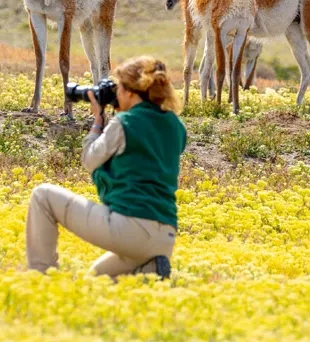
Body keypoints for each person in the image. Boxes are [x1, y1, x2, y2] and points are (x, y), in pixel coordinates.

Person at [25, 56, 188, 279]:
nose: (116, 94)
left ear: (130, 92)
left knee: (42, 195)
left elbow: (90, 160)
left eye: (119, 87)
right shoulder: (176, 126)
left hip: (129, 228)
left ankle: (40, 278)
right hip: (164, 237)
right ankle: (149, 268)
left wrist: (98, 120)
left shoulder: (125, 123)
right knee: (97, 279)